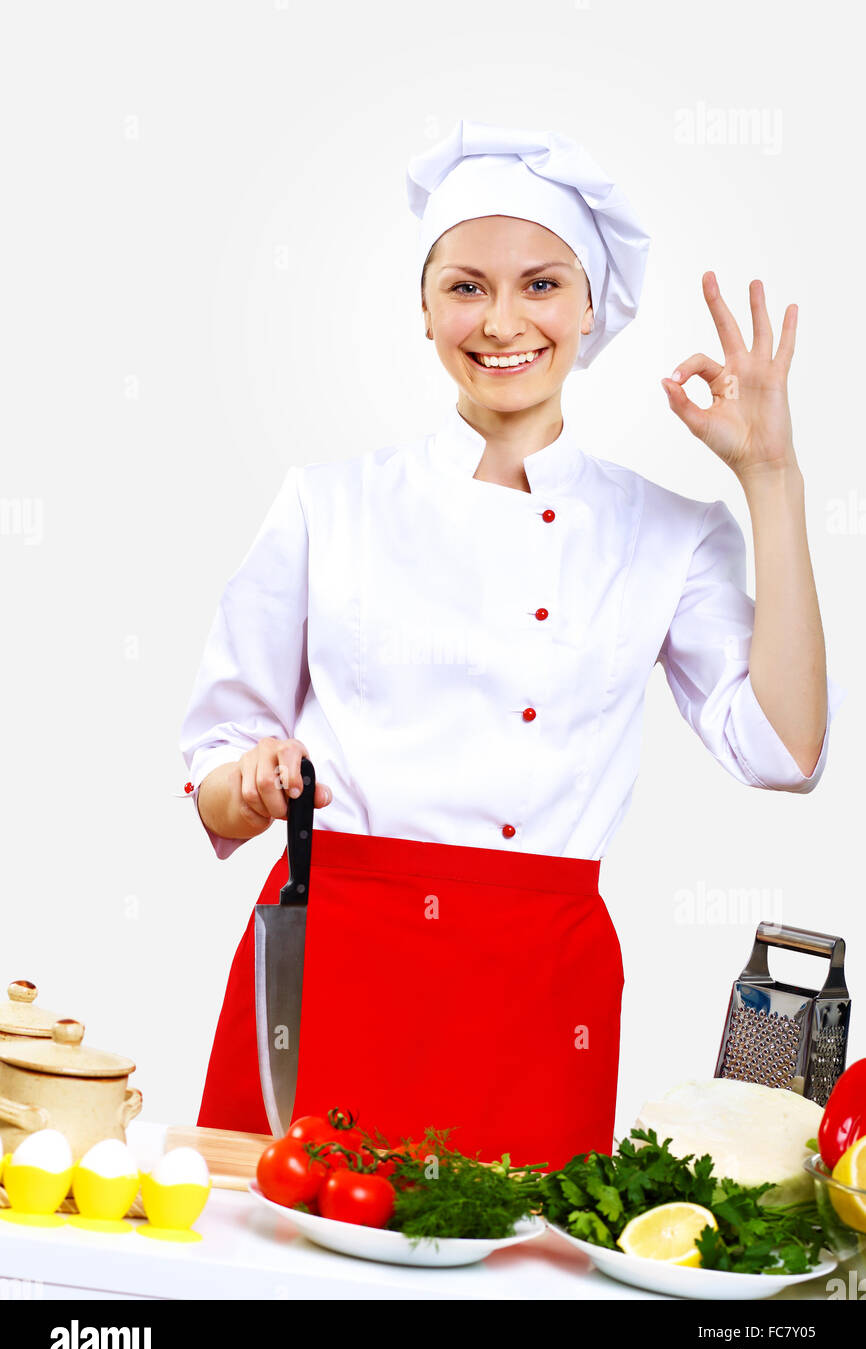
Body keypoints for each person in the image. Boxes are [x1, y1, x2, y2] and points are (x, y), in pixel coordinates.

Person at [178, 119, 844, 1168]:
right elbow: (215, 768)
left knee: (518, 1268)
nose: (500, 321)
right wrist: (253, 782)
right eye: (463, 286)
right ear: (425, 304)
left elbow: (783, 751)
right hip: (333, 954)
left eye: (539, 285)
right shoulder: (327, 504)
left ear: (590, 306)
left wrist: (771, 479)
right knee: (276, 1259)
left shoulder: (669, 532)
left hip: (538, 989)